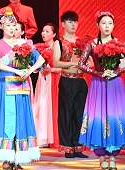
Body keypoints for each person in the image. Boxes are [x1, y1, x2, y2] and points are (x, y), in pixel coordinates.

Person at [0, 8, 44, 169]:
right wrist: (16, 70)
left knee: (20, 118)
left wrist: (29, 70)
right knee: (6, 118)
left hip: (21, 85)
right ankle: (6, 157)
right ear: (1, 26)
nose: (12, 29)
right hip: (4, 84)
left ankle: (19, 157)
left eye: (14, 26)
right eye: (8, 25)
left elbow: (41, 60)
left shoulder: (24, 44)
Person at [78, 12, 125, 169]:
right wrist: (98, 73)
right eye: (103, 23)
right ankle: (101, 155)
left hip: (115, 84)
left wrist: (117, 72)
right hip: (98, 84)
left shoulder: (119, 43)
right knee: (99, 116)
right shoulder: (92, 44)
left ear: (114, 25)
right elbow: (81, 64)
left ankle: (113, 156)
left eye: (110, 23)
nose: (107, 26)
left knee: (114, 116)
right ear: (98, 25)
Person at [54, 10, 88, 158]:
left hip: (81, 81)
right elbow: (56, 62)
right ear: (63, 24)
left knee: (79, 114)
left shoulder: (82, 42)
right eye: (70, 21)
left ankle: (78, 147)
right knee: (66, 113)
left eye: (75, 21)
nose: (73, 24)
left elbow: (89, 61)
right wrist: (72, 63)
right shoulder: (59, 42)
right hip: (67, 80)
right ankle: (68, 147)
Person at [32, 22, 60, 149]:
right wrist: (39, 69)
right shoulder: (38, 48)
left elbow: (64, 67)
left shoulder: (57, 47)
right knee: (41, 105)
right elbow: (32, 65)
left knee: (51, 106)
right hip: (42, 79)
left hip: (53, 79)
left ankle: (53, 137)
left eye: (47, 31)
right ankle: (42, 137)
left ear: (54, 34)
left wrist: (51, 70)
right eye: (43, 31)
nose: (43, 33)